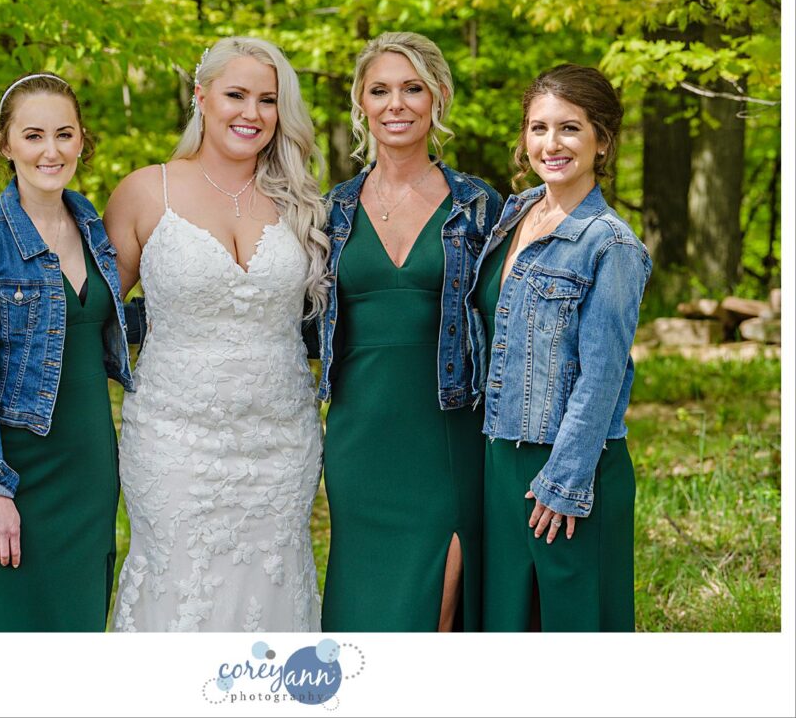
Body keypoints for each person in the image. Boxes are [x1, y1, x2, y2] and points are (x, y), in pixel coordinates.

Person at [103, 37, 329, 632]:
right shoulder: (145, 191)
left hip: (282, 443)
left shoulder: (300, 202)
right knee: (181, 589)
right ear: (201, 97)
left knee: (273, 588)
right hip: (174, 441)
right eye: (236, 95)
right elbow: (88, 315)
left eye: (267, 100)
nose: (251, 113)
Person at [317, 32, 503, 632]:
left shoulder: (480, 207)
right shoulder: (330, 211)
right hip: (360, 436)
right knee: (361, 612)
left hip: (447, 431)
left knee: (437, 610)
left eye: (412, 89)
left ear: (438, 97)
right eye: (380, 90)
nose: (395, 104)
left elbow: (508, 323)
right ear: (361, 103)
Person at [0, 72, 139, 631]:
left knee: (80, 621)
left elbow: (97, 325)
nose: (51, 151)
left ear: (81, 141)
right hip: (16, 467)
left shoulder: (94, 226)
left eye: (63, 134)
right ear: (6, 145)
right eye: (33, 136)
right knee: (11, 627)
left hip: (88, 462)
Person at [467, 64, 651, 631]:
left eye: (570, 128)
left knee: (571, 629)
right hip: (500, 457)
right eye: (539, 127)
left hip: (569, 467)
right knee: (508, 624)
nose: (552, 143)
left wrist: (565, 481)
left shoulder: (611, 245)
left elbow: (603, 377)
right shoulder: (514, 215)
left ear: (602, 141)